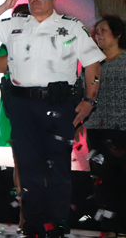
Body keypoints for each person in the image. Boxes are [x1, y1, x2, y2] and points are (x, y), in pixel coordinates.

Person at [0, 0, 103, 238]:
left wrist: (90, 100)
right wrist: (4, 6)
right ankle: (33, 224)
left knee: (57, 170)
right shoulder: (14, 24)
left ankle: (57, 225)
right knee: (28, 169)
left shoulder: (71, 26)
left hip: (60, 104)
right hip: (22, 106)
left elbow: (92, 63)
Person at [0, 3, 30, 231]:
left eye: (23, 17)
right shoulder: (8, 42)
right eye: (15, 17)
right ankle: (24, 216)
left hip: (42, 111)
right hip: (13, 110)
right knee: (20, 163)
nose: (18, 20)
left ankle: (43, 215)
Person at [87, 14, 126, 236]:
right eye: (97, 31)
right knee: (102, 182)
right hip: (97, 130)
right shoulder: (93, 63)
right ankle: (109, 229)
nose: (98, 34)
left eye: (103, 30)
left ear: (118, 34)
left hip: (123, 130)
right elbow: (84, 94)